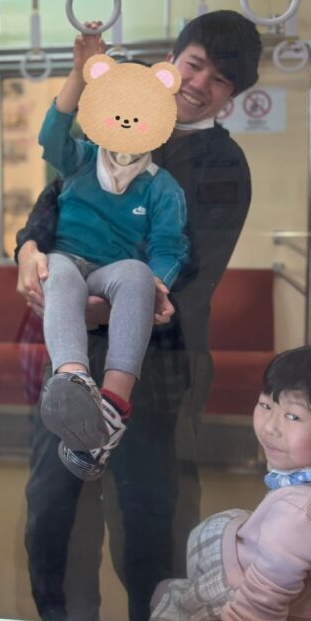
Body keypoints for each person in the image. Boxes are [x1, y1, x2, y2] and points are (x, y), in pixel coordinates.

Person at [18, 9, 262, 621]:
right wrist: (28, 249)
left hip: (160, 369)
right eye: (196, 64)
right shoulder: (110, 126)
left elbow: (192, 271)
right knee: (54, 514)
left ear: (231, 97)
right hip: (74, 357)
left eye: (221, 79)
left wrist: (95, 301)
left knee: (150, 524)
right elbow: (54, 201)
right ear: (172, 61)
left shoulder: (221, 165)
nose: (200, 83)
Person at [37, 34, 189, 481]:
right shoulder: (81, 159)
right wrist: (78, 72)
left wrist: (158, 285)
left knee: (140, 274)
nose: (126, 117)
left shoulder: (162, 186)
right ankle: (74, 379)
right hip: (69, 258)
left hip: (112, 271)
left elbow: (168, 246)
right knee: (58, 272)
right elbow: (51, 135)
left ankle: (112, 404)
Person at [149, 346, 311, 621]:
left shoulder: (299, 515)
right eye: (266, 405)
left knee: (163, 600)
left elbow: (254, 620)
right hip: (239, 576)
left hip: (234, 604)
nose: (270, 427)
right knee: (165, 591)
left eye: (293, 416)